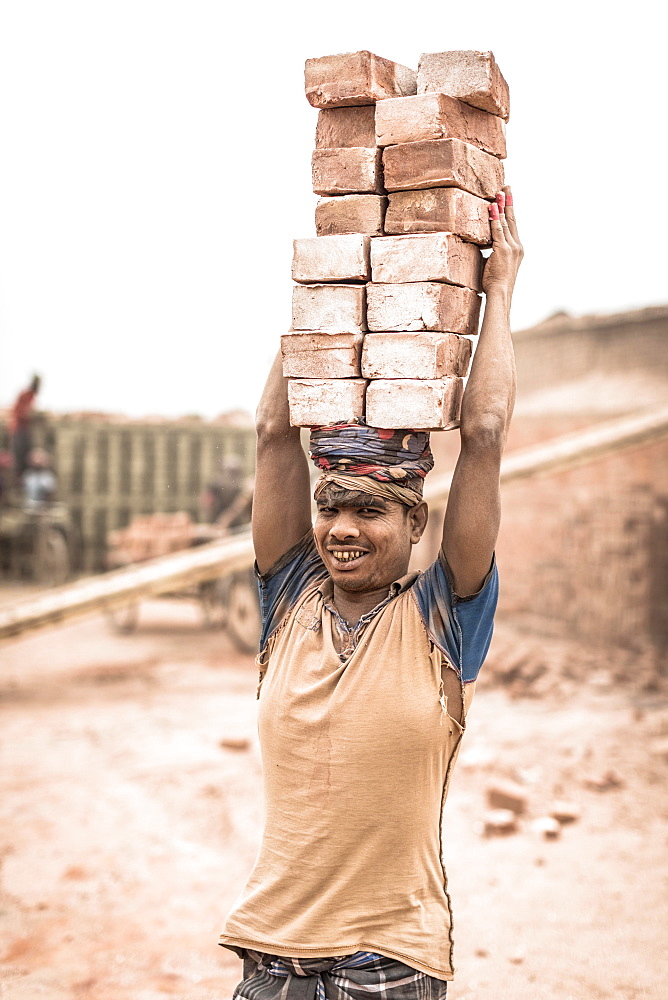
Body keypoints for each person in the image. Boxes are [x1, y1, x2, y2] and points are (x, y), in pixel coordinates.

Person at [219, 188, 523, 999]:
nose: (342, 528)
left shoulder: (442, 622)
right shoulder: (289, 602)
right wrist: (327, 288)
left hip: (386, 971)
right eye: (331, 506)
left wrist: (499, 292)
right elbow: (274, 434)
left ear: (416, 519)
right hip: (269, 962)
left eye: (369, 510)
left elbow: (485, 436)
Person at [9, 374, 41, 477]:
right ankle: (19, 476)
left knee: (26, 453)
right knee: (19, 454)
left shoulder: (31, 396)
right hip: (18, 428)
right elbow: (21, 413)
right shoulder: (25, 395)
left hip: (24, 429)